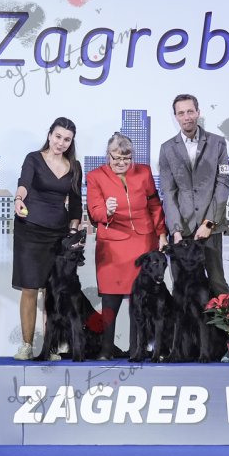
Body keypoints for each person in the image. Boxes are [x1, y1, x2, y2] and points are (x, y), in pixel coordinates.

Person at [87, 132, 168, 360]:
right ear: (108, 156)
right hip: (112, 245)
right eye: (117, 158)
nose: (122, 162)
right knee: (110, 300)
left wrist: (162, 233)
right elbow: (94, 211)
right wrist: (107, 210)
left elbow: (154, 205)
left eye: (126, 158)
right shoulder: (95, 176)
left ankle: (137, 349)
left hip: (143, 242)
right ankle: (106, 350)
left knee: (139, 301)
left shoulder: (144, 172)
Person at [12, 117, 83, 360]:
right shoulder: (33, 158)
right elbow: (24, 184)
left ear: (71, 142)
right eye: (58, 136)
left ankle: (49, 347)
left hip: (58, 235)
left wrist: (73, 232)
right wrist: (18, 199)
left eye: (67, 139)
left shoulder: (75, 166)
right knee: (30, 288)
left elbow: (76, 205)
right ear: (50, 134)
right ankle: (26, 345)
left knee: (53, 292)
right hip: (30, 230)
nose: (61, 143)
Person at [158, 93, 229, 297]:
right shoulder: (166, 149)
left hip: (211, 228)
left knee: (217, 282)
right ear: (175, 116)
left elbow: (223, 184)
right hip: (182, 230)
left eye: (190, 111)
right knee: (181, 289)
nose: (186, 117)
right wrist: (176, 230)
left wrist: (209, 223)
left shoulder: (218, 143)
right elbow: (168, 192)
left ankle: (227, 319)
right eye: (181, 113)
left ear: (198, 112)